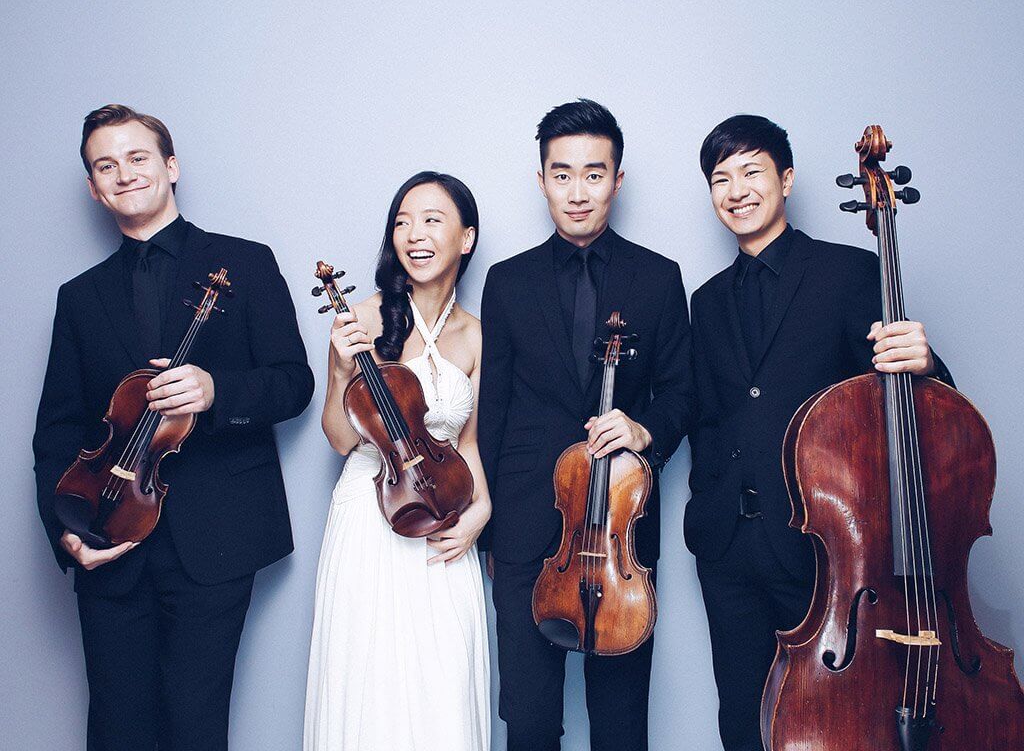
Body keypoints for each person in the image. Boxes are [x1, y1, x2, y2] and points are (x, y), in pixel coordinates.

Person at [32, 104, 314, 750]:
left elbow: (293, 382)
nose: (124, 173)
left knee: (195, 727)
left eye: (137, 157)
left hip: (216, 535)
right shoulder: (79, 296)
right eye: (107, 165)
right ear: (94, 188)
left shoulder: (245, 262)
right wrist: (66, 531)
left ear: (171, 166)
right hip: (107, 533)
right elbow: (58, 430)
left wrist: (216, 392)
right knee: (116, 728)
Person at [685, 114, 953, 751]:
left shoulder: (850, 272)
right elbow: (707, 415)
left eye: (751, 172)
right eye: (721, 179)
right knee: (742, 721)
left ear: (786, 179)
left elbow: (906, 400)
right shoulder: (707, 300)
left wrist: (927, 363)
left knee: (830, 722)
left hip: (822, 546)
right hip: (728, 547)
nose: (737, 191)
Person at [478, 99, 696, 751]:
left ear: (617, 180)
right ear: (541, 179)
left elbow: (683, 393)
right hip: (526, 528)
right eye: (563, 174)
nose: (578, 191)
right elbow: (494, 410)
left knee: (621, 726)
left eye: (594, 174)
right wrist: (491, 532)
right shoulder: (506, 281)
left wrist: (644, 431)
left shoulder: (659, 278)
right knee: (530, 721)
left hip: (620, 533)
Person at [304, 171, 491, 751]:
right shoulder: (361, 319)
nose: (415, 234)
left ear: (466, 237)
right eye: (403, 222)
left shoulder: (475, 335)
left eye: (433, 220)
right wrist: (341, 370)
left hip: (445, 511)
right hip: (370, 513)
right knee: (370, 679)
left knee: (443, 682)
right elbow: (339, 439)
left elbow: (466, 443)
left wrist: (481, 510)